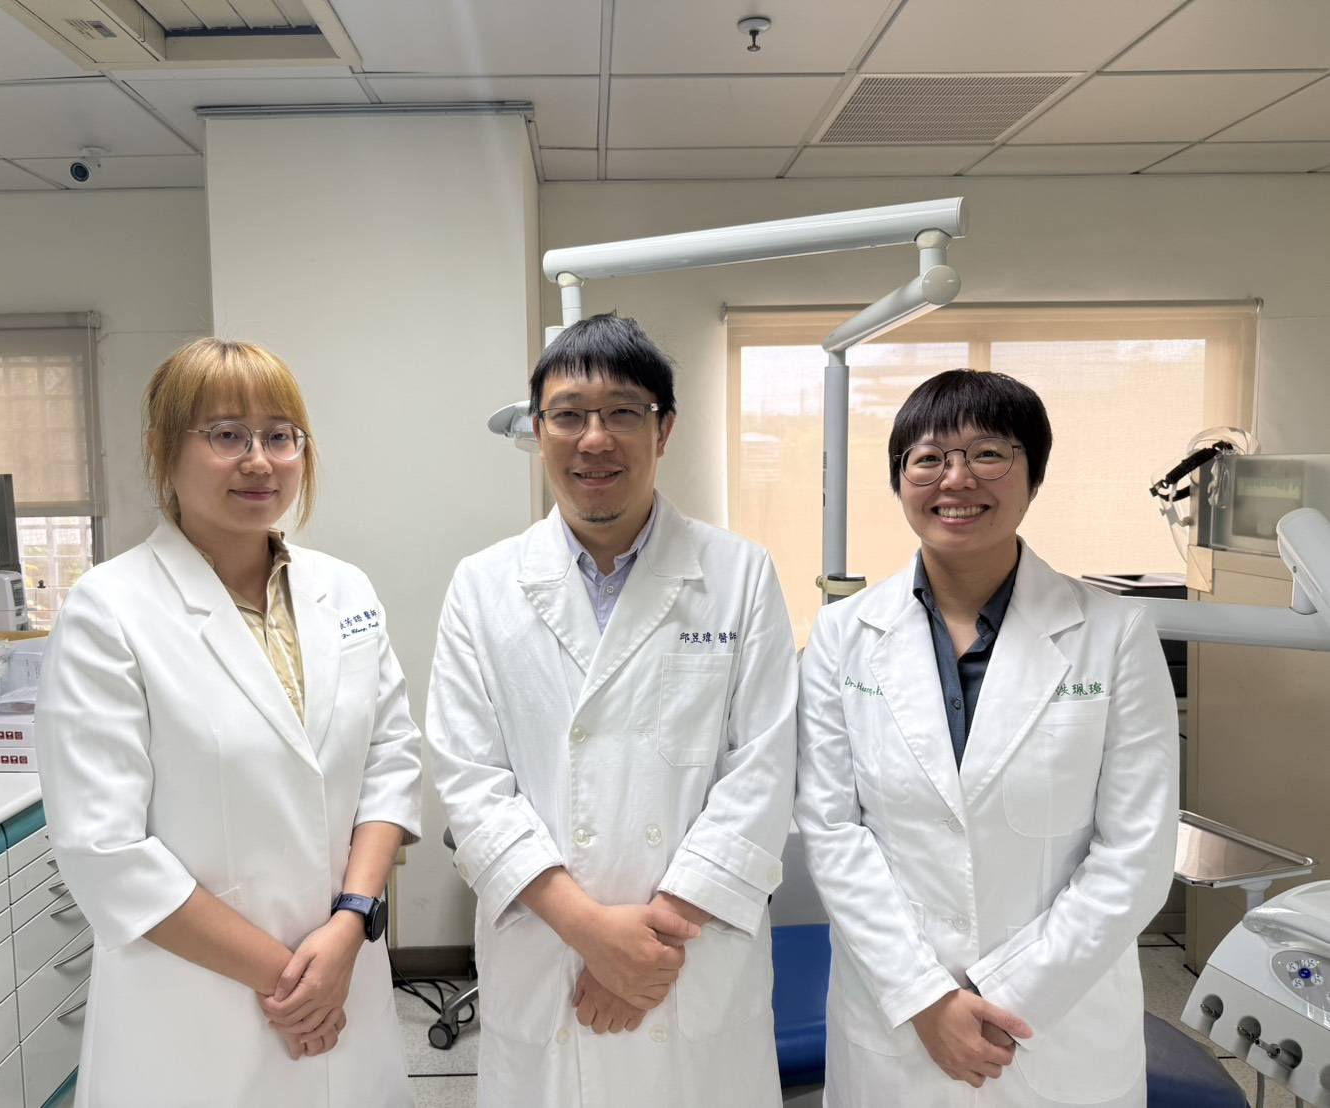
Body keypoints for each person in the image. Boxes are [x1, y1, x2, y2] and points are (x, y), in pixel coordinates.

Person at [35, 339, 420, 1107]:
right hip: (198, 1011)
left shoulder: (344, 591)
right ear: (160, 451)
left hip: (343, 970)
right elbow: (105, 851)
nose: (259, 460)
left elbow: (390, 761)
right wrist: (295, 983)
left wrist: (349, 925)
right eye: (225, 435)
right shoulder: (110, 610)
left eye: (280, 435)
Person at [426, 313, 797, 1107]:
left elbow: (763, 774)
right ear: (538, 432)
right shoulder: (482, 586)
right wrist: (592, 934)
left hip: (689, 957)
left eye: (623, 412)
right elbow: (469, 782)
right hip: (549, 950)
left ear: (664, 430)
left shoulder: (739, 576)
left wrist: (647, 948)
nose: (594, 439)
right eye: (568, 415)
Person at [796, 369, 1178, 1107]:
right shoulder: (844, 636)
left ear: (1033, 475)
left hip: (1052, 1024)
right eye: (928, 459)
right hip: (898, 1014)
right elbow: (832, 831)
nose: (956, 480)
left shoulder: (1114, 634)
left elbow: (1135, 853)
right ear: (900, 480)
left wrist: (1008, 994)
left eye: (989, 454)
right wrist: (925, 998)